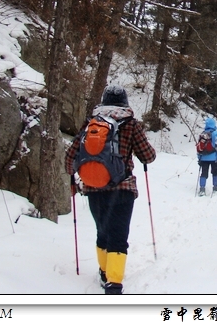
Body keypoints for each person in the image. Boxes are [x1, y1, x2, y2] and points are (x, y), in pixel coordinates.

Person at [65, 84, 156, 295]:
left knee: (102, 231)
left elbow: (70, 157)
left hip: (93, 188)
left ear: (104, 101)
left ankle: (104, 272)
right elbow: (148, 156)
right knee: (118, 235)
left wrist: (74, 175)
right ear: (125, 102)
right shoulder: (130, 124)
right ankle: (114, 283)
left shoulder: (91, 123)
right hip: (122, 188)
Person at [197, 117, 217, 196]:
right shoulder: (215, 133)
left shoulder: (202, 134)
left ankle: (202, 189)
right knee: (215, 172)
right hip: (213, 158)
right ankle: (215, 187)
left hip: (203, 158)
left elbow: (199, 147)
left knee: (204, 173)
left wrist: (199, 158)